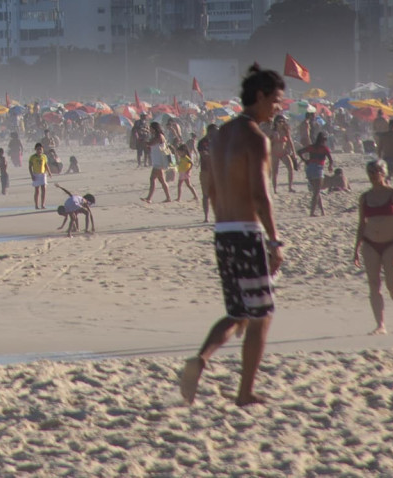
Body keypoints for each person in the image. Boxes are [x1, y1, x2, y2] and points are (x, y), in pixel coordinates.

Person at [180, 63, 285, 408]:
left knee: (238, 311)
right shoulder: (256, 138)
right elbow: (260, 193)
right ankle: (245, 392)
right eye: (276, 100)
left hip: (223, 231)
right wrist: (274, 240)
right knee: (262, 316)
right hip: (246, 231)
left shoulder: (221, 134)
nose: (278, 107)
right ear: (260, 96)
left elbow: (211, 187)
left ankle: (202, 359)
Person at [353, 162, 393, 335]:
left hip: (392, 243)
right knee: (373, 285)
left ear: (384, 173)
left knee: (392, 285)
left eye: (376, 171)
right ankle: (380, 325)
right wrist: (356, 249)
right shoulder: (365, 197)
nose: (373, 175)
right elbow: (361, 224)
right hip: (370, 243)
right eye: (370, 172)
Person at [299, 129, 334, 217]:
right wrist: (330, 167)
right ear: (324, 140)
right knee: (316, 192)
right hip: (318, 169)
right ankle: (312, 212)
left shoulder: (311, 147)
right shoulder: (325, 149)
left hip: (310, 169)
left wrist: (305, 160)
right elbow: (331, 160)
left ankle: (322, 211)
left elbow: (299, 152)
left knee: (316, 191)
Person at [143, 122, 172, 203]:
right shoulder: (156, 136)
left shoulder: (159, 136)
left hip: (159, 161)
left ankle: (149, 198)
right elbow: (151, 147)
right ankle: (168, 198)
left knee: (152, 178)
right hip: (158, 161)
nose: (150, 130)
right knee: (162, 180)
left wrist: (144, 140)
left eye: (151, 128)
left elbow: (151, 143)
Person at [28, 142, 49, 210]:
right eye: (38, 149)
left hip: (42, 174)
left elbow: (46, 165)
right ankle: (36, 205)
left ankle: (43, 204)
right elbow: (30, 167)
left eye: (40, 149)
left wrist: (49, 172)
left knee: (44, 189)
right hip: (36, 174)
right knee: (37, 191)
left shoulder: (44, 156)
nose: (39, 150)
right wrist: (32, 175)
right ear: (35, 149)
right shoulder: (32, 157)